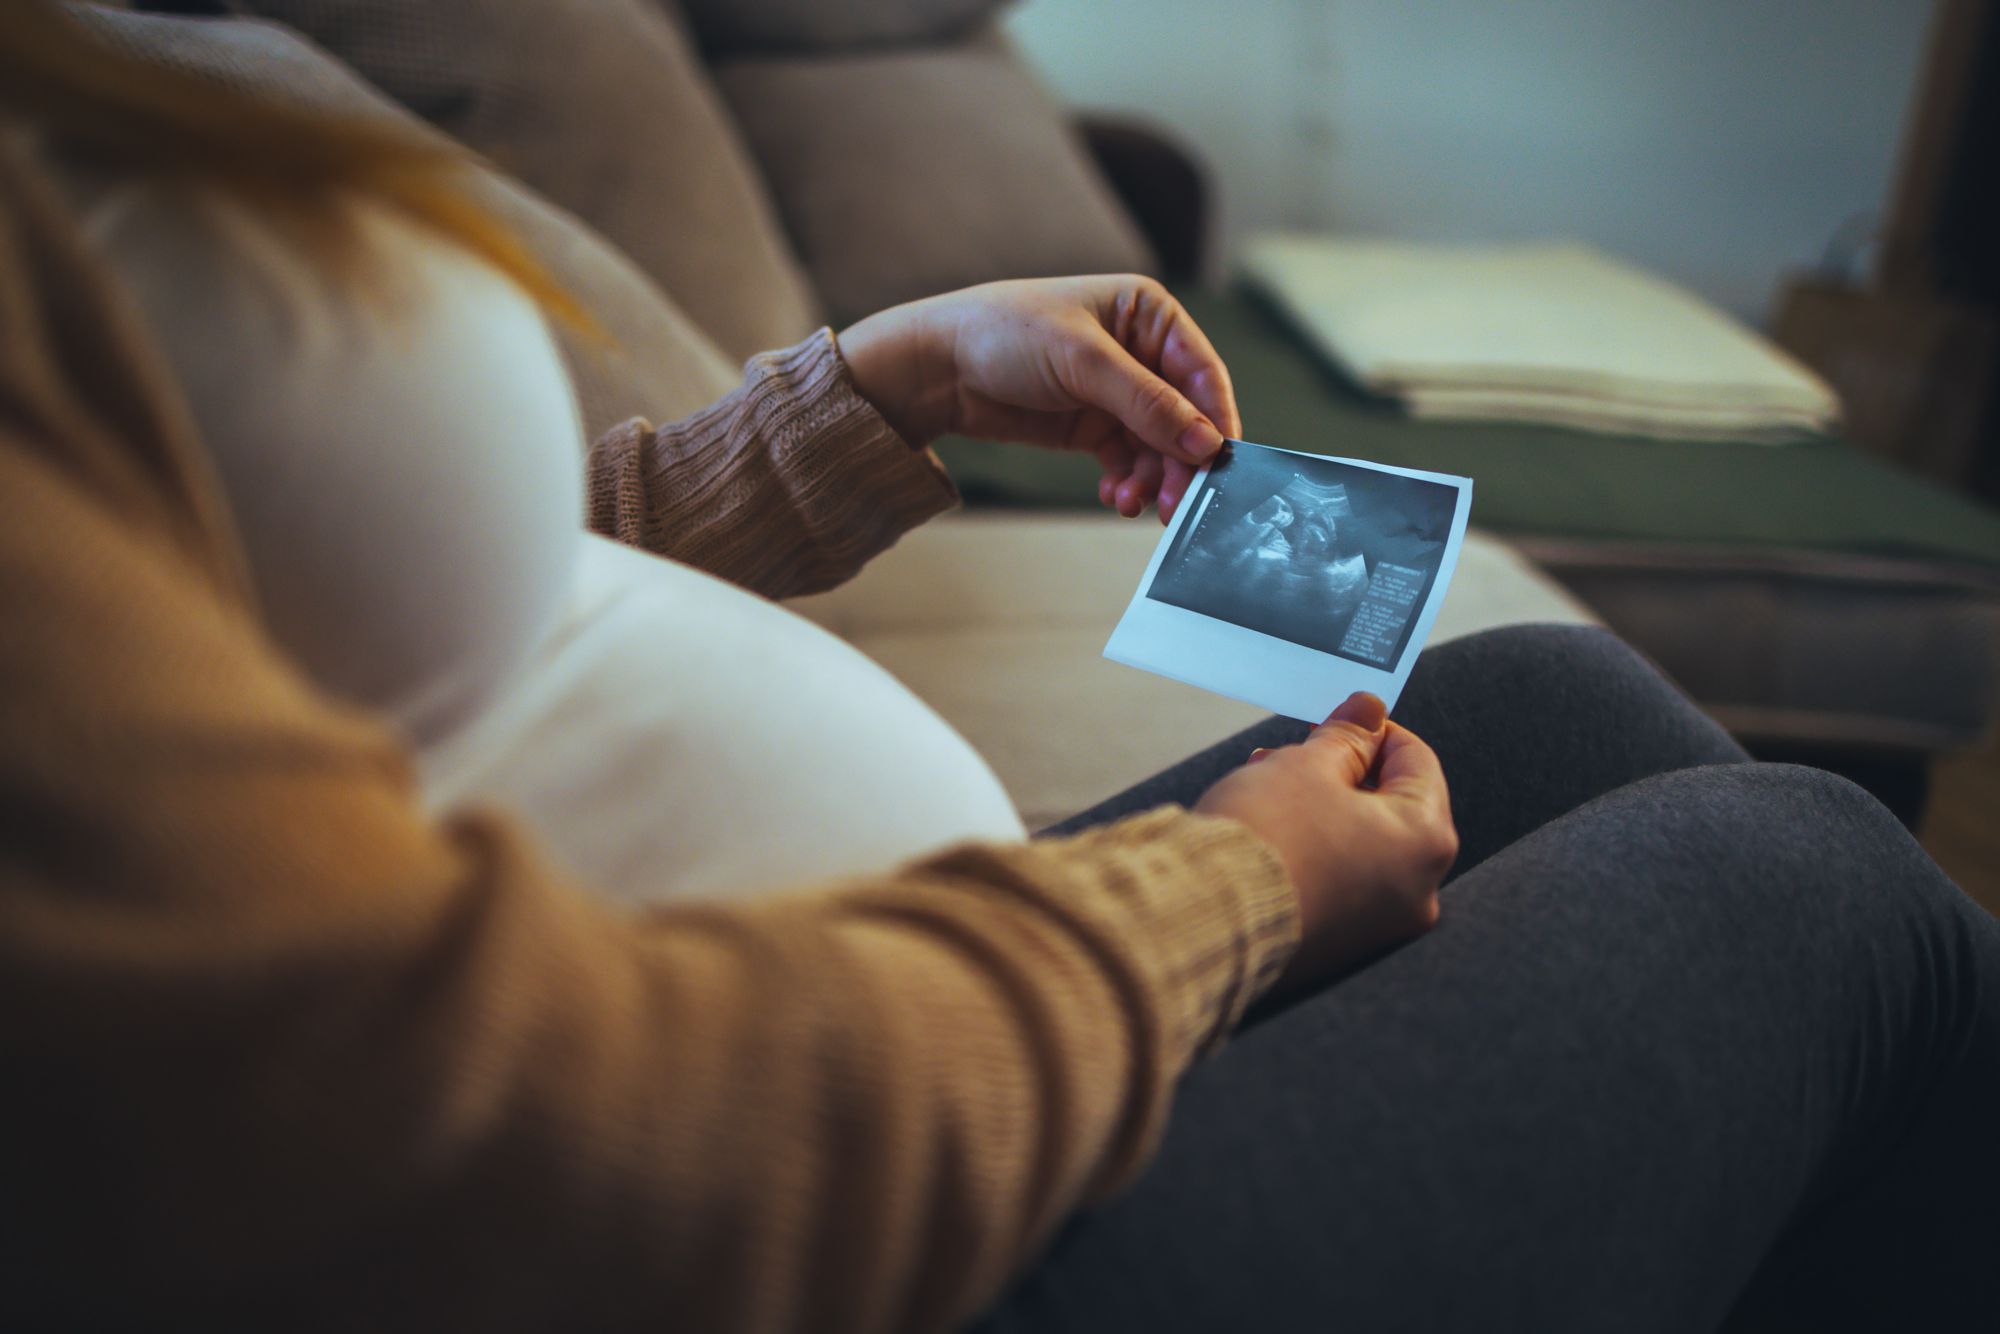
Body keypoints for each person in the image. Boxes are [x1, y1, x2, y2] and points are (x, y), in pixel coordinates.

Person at [1, 5, 1994, 1331]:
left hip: (832, 1015)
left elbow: (365, 597)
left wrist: (891, 374)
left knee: (1547, 695)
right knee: (1816, 883)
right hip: (799, 1224)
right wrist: (1235, 885)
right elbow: (480, 1131)